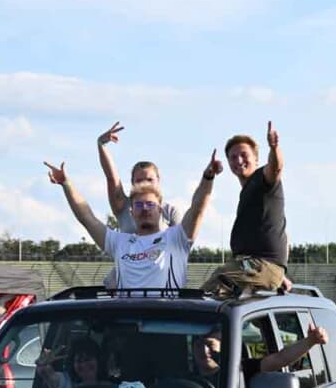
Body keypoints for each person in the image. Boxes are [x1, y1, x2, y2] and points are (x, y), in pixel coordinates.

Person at [44, 153, 217, 290]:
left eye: (150, 204)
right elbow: (87, 218)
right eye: (139, 205)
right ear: (132, 212)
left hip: (165, 318)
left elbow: (197, 209)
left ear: (160, 209)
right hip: (127, 319)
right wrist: (66, 183)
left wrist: (208, 177)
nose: (145, 208)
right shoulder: (120, 242)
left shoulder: (176, 238)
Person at [201, 121, 288, 298]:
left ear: (256, 158)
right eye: (233, 157)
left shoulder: (262, 180)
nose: (239, 161)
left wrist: (274, 148)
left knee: (212, 287)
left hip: (260, 265)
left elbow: (276, 168)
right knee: (220, 289)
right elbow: (281, 233)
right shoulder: (247, 192)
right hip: (252, 267)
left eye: (244, 155)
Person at [97, 122, 182, 233]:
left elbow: (179, 241)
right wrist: (101, 144)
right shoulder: (123, 206)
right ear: (132, 182)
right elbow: (112, 178)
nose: (145, 184)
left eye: (150, 180)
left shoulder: (170, 212)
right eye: (139, 180)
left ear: (158, 180)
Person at [191, 323, 327, 388]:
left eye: (210, 344)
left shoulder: (241, 370)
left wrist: (310, 341)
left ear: (225, 347)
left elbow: (280, 359)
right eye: (198, 345)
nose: (204, 350)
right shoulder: (183, 377)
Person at [35, 337, 102, 388]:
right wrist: (43, 364)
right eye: (79, 361)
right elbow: (48, 374)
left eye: (88, 359)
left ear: (98, 360)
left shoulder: (107, 382)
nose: (83, 365)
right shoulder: (66, 381)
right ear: (73, 364)